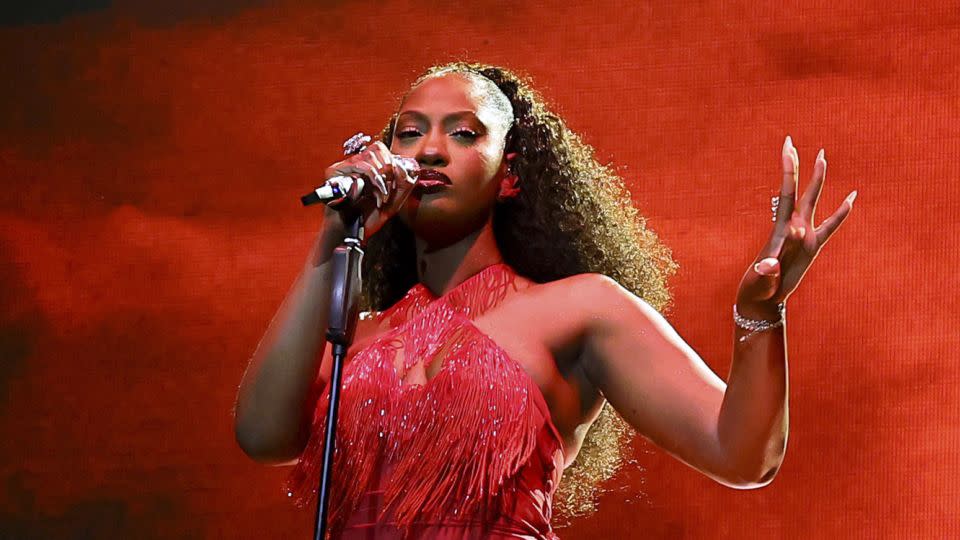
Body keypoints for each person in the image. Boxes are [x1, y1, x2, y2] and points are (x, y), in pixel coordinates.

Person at [234, 62, 856, 539]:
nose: (428, 150)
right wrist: (334, 232)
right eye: (409, 132)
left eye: (463, 133)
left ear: (510, 174)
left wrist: (760, 314)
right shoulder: (357, 340)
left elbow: (742, 454)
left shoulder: (581, 309)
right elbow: (262, 434)